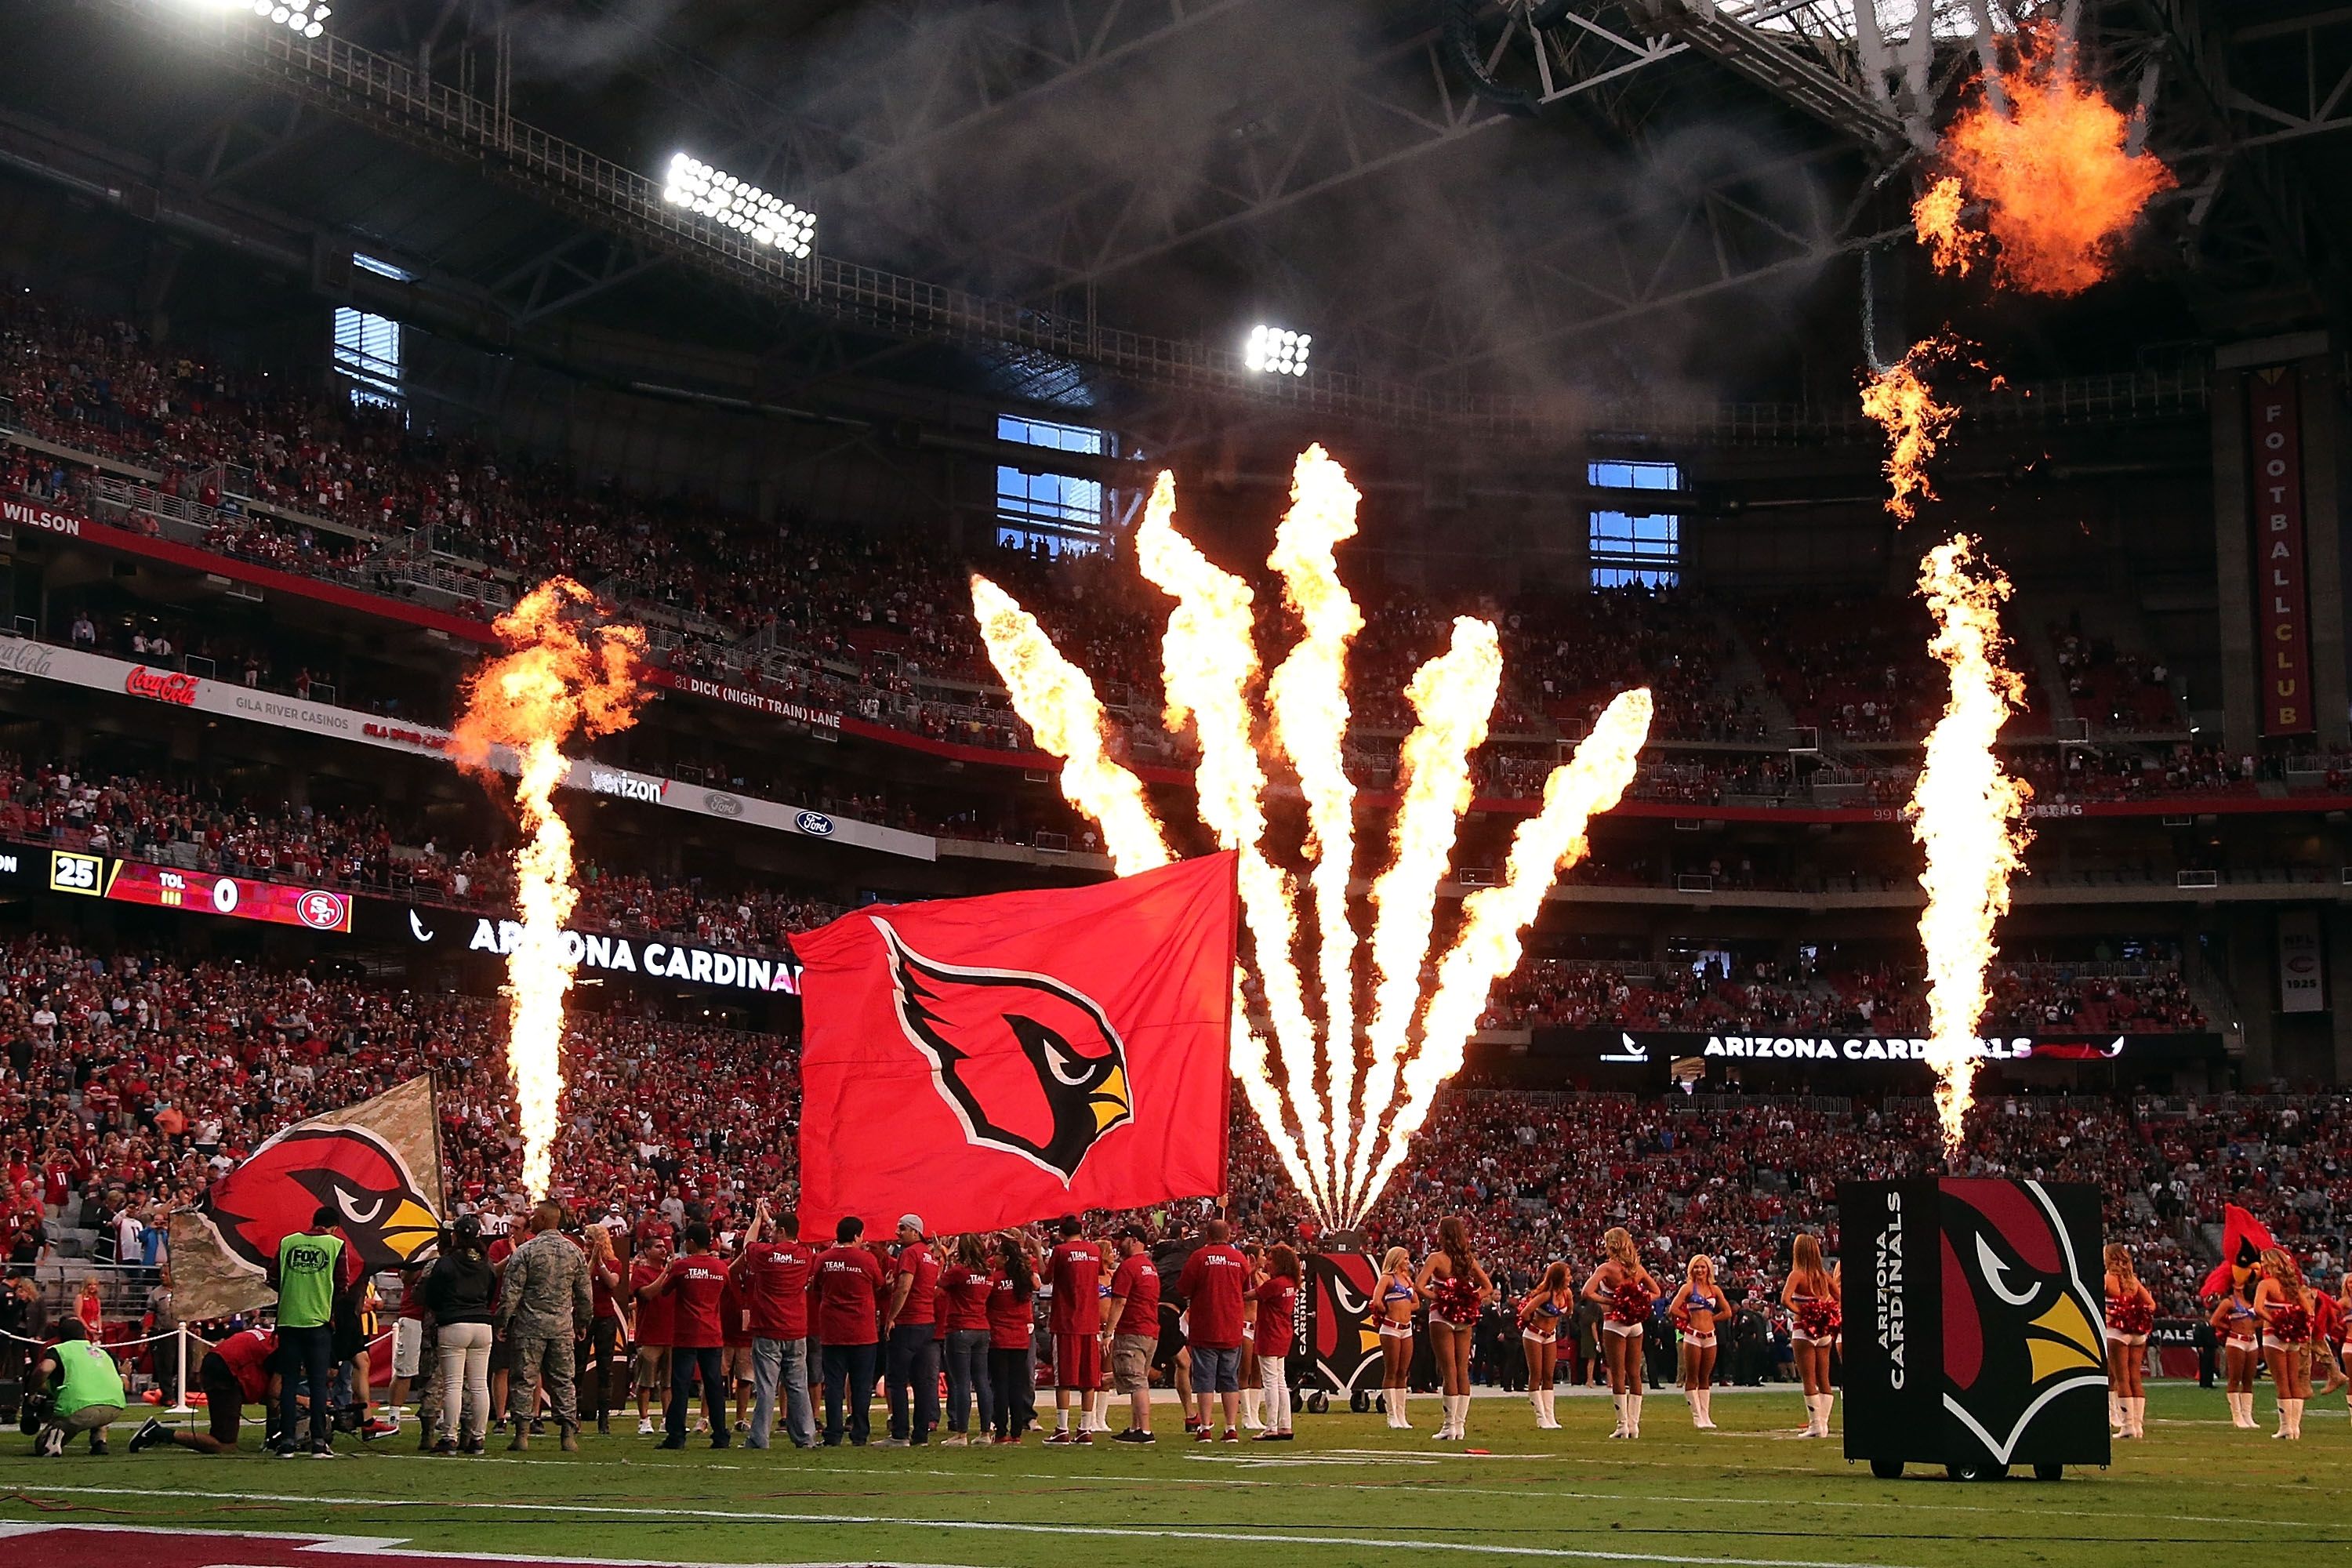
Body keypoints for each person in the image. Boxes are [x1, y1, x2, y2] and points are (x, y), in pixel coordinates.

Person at [495, 1200, 593, 1453]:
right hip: (561, 1328)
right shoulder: (575, 1252)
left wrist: (503, 1321)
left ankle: (522, 1434)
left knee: (524, 1380)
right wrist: (582, 1322)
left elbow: (511, 1293)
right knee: (563, 1381)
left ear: (541, 1219)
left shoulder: (526, 1251)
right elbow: (584, 1294)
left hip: (530, 1328)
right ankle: (568, 1434)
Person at [270, 1204, 361, 1458]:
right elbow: (343, 1283)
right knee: (319, 1382)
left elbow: (272, 1277)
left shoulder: (287, 1242)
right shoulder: (335, 1245)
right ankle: (319, 1441)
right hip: (319, 1321)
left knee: (289, 1382)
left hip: (289, 1319)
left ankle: (286, 1441)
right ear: (335, 1227)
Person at [734, 1199, 815, 1450]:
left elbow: (748, 1245)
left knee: (767, 1387)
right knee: (798, 1386)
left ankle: (760, 1438)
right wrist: (772, 1220)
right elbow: (788, 1237)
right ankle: (805, 1437)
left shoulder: (765, 1255)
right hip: (796, 1329)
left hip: (769, 1328)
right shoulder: (805, 1254)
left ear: (780, 1231)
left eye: (773, 1230)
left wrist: (759, 1220)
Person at [645, 1220, 730, 1450]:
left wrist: (670, 1268)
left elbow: (665, 1290)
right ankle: (721, 1435)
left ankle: (676, 1436)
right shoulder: (720, 1267)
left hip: (687, 1333)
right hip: (712, 1332)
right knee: (714, 1386)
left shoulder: (682, 1267)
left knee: (680, 1385)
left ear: (690, 1242)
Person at [129, 1326, 277, 1454]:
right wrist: (300, 1400)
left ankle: (274, 1437)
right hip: (226, 1369)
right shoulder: (283, 1348)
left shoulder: (274, 1338)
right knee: (225, 1445)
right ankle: (156, 1432)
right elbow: (274, 1393)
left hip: (221, 1361)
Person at [421, 1214, 498, 1455]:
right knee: (479, 1385)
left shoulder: (446, 1262)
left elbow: (431, 1293)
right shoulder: (486, 1262)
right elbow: (492, 1291)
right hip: (482, 1324)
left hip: (454, 1322)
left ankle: (449, 1437)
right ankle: (478, 1438)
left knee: (453, 1384)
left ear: (456, 1235)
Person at [1417, 1215, 1491, 1443]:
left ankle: (1450, 1426)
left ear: (1443, 1234)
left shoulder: (1436, 1258)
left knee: (1449, 1370)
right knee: (1461, 1369)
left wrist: (1439, 1297)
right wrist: (1468, 1300)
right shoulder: (1467, 1259)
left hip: (1442, 1315)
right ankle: (1460, 1426)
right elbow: (1486, 1287)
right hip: (1464, 1317)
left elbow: (1419, 1286)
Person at [815, 1216, 887, 1446]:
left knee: (834, 1385)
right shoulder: (866, 1259)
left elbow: (816, 1288)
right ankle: (860, 1432)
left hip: (832, 1329)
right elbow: (880, 1284)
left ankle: (834, 1433)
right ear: (857, 1236)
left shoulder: (823, 1259)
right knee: (861, 1385)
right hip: (862, 1330)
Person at [1176, 1217, 1250, 1443]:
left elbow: (1183, 1288)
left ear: (1207, 1236)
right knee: (1230, 1380)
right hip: (1231, 1326)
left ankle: (1205, 1426)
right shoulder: (1240, 1259)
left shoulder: (1198, 1257)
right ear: (1229, 1235)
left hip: (1205, 1325)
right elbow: (1245, 1290)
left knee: (1204, 1379)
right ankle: (1230, 1428)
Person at [1584, 1226, 1661, 1440]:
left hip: (1615, 1323)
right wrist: (1638, 1302)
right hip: (1636, 1325)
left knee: (1618, 1373)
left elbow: (1586, 1292)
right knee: (1634, 1373)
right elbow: (1657, 1292)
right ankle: (1635, 1426)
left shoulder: (1607, 1268)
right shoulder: (1638, 1269)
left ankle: (1623, 1425)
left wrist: (1611, 1301)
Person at [879, 1214, 941, 1447]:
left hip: (908, 1322)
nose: (897, 1233)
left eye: (902, 1228)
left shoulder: (910, 1253)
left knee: (897, 1380)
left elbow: (904, 1287)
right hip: (927, 1322)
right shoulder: (930, 1256)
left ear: (915, 1232)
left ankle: (900, 1433)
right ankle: (921, 1435)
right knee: (922, 1382)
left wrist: (891, 1317)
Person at [1044, 1215, 1104, 1445]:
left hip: (1066, 1320)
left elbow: (1046, 1278)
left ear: (1061, 1232)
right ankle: (1086, 1428)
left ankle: (1062, 1428)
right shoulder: (1094, 1251)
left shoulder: (1061, 1252)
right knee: (1089, 1378)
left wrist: (1038, 1253)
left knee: (1064, 1378)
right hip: (1090, 1320)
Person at [31, 1319, 123, 1456]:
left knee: (42, 1445)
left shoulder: (59, 1350)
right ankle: (100, 1441)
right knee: (98, 1398)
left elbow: (44, 1369)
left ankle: (53, 1439)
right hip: (115, 1407)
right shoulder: (103, 1352)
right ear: (85, 1334)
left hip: (79, 1408)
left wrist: (31, 1389)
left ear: (60, 1337)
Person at [1780, 1232, 1840, 1440]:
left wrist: (1802, 1311)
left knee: (1809, 1379)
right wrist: (1827, 1312)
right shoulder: (1823, 1275)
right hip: (1824, 1332)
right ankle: (1823, 1424)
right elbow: (1839, 1298)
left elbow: (1785, 1299)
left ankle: (1816, 1425)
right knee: (1824, 1378)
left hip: (1803, 1330)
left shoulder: (1797, 1275)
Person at [1102, 1225, 1159, 1443]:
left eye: (1122, 1239)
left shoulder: (1129, 1267)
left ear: (1134, 1240)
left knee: (1136, 1381)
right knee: (1139, 1378)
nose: (1118, 1244)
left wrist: (1109, 1332)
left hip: (1133, 1329)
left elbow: (1119, 1301)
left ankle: (1144, 1429)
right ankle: (1136, 1426)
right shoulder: (1149, 1267)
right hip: (1149, 1329)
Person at [2252, 1246, 2314, 1440]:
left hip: (2274, 1336)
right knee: (2294, 1380)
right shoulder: (2292, 1286)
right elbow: (2309, 1311)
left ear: (2271, 1264)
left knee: (2282, 1382)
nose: (2262, 1266)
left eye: (2264, 1263)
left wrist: (2274, 1321)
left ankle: (2285, 1427)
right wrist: (2303, 1328)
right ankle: (2295, 1428)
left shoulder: (2266, 1284)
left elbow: (2257, 1309)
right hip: (2294, 1338)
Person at [572, 1220, 626, 1435]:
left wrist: (599, 1262)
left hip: (605, 1318)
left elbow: (612, 1283)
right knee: (577, 1366)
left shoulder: (614, 1263)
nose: (586, 1243)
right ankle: (574, 1416)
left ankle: (603, 1420)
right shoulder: (580, 1260)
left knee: (605, 1368)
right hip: (584, 1318)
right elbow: (580, 1281)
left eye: (590, 1239)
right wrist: (590, 1260)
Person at [1668, 1254, 1730, 1430]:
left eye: (1703, 1267)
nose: (1700, 1270)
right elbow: (1673, 1308)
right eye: (1696, 1267)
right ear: (1691, 1270)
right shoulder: (1688, 1288)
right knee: (1692, 1376)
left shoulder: (1715, 1289)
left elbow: (1728, 1312)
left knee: (1705, 1377)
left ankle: (1706, 1416)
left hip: (1710, 1336)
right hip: (1693, 1336)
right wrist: (1687, 1317)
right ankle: (1697, 1417)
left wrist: (1712, 1319)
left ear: (1709, 1269)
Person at [986, 1232, 1038, 1444]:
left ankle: (1001, 1431)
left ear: (1005, 1258)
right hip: (1020, 1338)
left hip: (999, 1337)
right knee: (1018, 1385)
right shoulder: (1025, 1280)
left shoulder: (996, 1280)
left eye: (997, 1254)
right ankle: (1017, 1430)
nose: (994, 1258)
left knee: (1000, 1385)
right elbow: (1037, 1283)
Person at [2103, 1243, 2156, 1440]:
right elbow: (2151, 1305)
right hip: (2138, 1333)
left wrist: (2115, 1311)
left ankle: (2127, 1426)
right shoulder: (2133, 1281)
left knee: (2121, 1378)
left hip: (2117, 1332)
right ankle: (2138, 1426)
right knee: (2136, 1378)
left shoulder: (2108, 1279)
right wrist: (2134, 1311)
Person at [630, 1225, 675, 1436]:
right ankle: (644, 1418)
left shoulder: (672, 1273)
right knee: (646, 1382)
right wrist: (665, 1273)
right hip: (649, 1334)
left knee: (667, 1383)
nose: (663, 1249)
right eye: (658, 1247)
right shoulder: (641, 1272)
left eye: (664, 1246)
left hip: (670, 1333)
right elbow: (647, 1294)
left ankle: (667, 1419)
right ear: (647, 1251)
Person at [1518, 1261, 1573, 1431]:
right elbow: (1525, 1312)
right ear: (1559, 1277)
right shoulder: (1544, 1296)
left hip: (1551, 1336)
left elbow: (1569, 1311)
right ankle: (1540, 1417)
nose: (1570, 1278)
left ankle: (1551, 1416)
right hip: (1534, 1335)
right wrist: (1533, 1324)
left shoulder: (1567, 1294)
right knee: (1536, 1375)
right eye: (1568, 1275)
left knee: (1549, 1375)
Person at [1252, 1243, 1299, 1442]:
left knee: (1270, 1381)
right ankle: (1285, 1425)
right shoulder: (1291, 1282)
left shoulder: (1275, 1284)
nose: (1268, 1263)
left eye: (1271, 1260)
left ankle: (1271, 1427)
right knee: (1280, 1381)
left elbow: (1249, 1295)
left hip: (1270, 1333)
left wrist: (1251, 1272)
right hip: (1283, 1332)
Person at [1375, 1245, 1419, 1430]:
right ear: (1396, 1259)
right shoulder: (1387, 1278)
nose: (1408, 1262)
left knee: (1403, 1372)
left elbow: (1416, 1303)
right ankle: (1391, 1415)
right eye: (1405, 1258)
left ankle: (1402, 1415)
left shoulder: (1408, 1280)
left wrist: (1404, 1308)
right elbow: (1376, 1300)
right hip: (1391, 1328)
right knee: (1391, 1371)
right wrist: (1390, 1311)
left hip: (1406, 1328)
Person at [2212, 1281, 2262, 1428]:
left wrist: (2254, 1325)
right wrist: (2230, 1327)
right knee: (2235, 1378)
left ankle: (2248, 1415)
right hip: (2236, 1341)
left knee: (2249, 1379)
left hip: (2252, 1341)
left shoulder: (2251, 1300)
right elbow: (2214, 1320)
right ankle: (2237, 1416)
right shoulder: (2229, 1302)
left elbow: (2261, 1319)